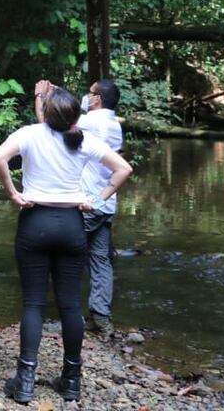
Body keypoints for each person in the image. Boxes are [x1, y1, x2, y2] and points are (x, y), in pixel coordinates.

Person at [0, 81, 132, 404]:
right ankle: (71, 380)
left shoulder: (29, 134)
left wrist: (14, 194)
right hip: (71, 225)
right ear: (73, 119)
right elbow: (124, 169)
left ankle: (25, 381)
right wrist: (97, 199)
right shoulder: (83, 139)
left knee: (34, 303)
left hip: (35, 221)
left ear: (47, 113)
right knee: (70, 304)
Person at [77, 78, 124, 338]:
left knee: (68, 254)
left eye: (90, 92)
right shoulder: (114, 124)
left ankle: (71, 313)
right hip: (106, 203)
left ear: (98, 99)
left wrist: (42, 97)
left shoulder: (93, 121)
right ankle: (101, 317)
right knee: (100, 261)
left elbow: (56, 123)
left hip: (89, 202)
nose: (86, 96)